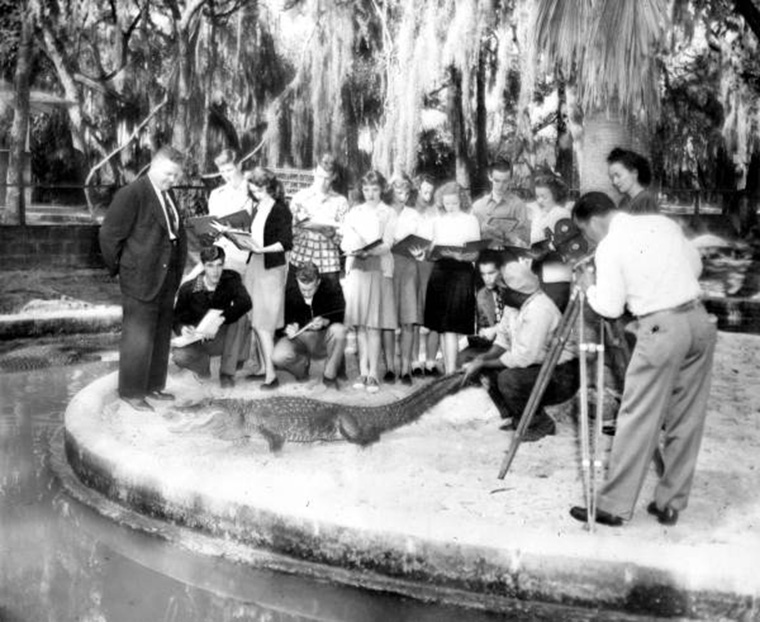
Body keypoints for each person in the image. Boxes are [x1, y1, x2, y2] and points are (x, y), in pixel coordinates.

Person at [569, 192, 716, 527]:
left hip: (662, 327)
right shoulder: (661, 223)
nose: (588, 240)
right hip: (698, 319)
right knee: (687, 415)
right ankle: (670, 503)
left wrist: (590, 286)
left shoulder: (609, 246)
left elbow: (608, 307)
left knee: (638, 414)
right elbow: (695, 264)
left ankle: (613, 506)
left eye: (585, 233)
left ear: (593, 221)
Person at [99, 146, 187, 411]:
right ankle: (131, 391)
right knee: (138, 338)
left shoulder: (167, 193)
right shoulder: (132, 194)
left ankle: (152, 386)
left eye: (176, 176)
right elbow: (109, 236)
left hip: (165, 277)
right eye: (169, 174)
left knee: (160, 336)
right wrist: (122, 268)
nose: (173, 180)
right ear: (154, 166)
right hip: (140, 278)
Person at [461, 254, 579, 442]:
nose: (500, 292)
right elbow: (503, 339)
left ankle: (539, 423)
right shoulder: (514, 306)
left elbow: (523, 358)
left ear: (517, 292)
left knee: (509, 379)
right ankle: (520, 417)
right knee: (482, 366)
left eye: (504, 289)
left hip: (563, 374)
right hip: (537, 366)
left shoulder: (540, 309)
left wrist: (484, 363)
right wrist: (481, 360)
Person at [228, 166, 293, 389]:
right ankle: (263, 368)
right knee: (255, 320)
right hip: (255, 266)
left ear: (271, 187)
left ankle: (271, 376)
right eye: (254, 190)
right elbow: (254, 238)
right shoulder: (257, 208)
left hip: (270, 268)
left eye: (261, 189)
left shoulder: (280, 209)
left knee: (264, 323)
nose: (257, 194)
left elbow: (285, 242)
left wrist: (261, 250)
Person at [341, 170, 398, 394]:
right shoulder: (355, 212)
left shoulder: (388, 212)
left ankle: (373, 372)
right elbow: (346, 239)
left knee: (374, 325)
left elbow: (388, 244)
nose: (370, 193)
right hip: (357, 268)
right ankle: (362, 371)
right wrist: (351, 247)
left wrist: (370, 250)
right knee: (361, 325)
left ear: (382, 189)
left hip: (377, 268)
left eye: (374, 189)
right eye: (366, 189)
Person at [172, 245, 252, 388]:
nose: (215, 271)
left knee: (242, 318)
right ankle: (203, 370)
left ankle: (227, 373)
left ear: (224, 264)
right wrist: (183, 328)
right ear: (203, 266)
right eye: (210, 266)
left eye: (219, 265)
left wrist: (221, 319)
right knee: (180, 356)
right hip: (198, 339)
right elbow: (177, 319)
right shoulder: (188, 289)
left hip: (222, 336)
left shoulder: (231, 278)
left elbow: (245, 302)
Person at [422, 182, 480, 374]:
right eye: (447, 203)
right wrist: (431, 251)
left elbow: (475, 254)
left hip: (461, 272)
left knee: (452, 326)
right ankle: (449, 371)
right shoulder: (436, 221)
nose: (451, 207)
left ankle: (450, 371)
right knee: (442, 326)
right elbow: (429, 254)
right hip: (440, 273)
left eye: (454, 203)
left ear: (461, 201)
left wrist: (460, 255)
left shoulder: (470, 220)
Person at [272, 262, 347, 388]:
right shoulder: (289, 292)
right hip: (299, 338)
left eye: (310, 289)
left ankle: (330, 376)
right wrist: (289, 327)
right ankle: (301, 367)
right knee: (278, 357)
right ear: (297, 281)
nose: (306, 293)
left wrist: (325, 321)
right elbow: (278, 325)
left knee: (340, 331)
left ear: (318, 281)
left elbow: (341, 315)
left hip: (323, 337)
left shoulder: (332, 287)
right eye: (303, 289)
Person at [289, 153, 349, 288]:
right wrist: (297, 227)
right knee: (296, 306)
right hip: (301, 260)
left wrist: (333, 235)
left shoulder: (340, 202)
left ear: (334, 177)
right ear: (313, 172)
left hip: (327, 265)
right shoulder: (300, 197)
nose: (322, 182)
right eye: (320, 176)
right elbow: (289, 235)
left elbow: (344, 239)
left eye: (327, 178)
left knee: (328, 308)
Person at [389, 172, 422, 384]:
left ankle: (406, 367)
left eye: (407, 191)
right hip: (387, 266)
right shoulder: (384, 212)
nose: (403, 194)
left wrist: (419, 250)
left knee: (408, 320)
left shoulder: (414, 215)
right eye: (399, 190)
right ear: (391, 191)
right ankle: (391, 365)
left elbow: (421, 241)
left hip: (408, 267)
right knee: (388, 320)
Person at [206, 148, 255, 275]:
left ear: (239, 166)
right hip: (218, 253)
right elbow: (212, 224)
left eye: (229, 170)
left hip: (241, 255)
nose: (226, 175)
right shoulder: (216, 195)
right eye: (222, 171)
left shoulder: (254, 192)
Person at [457, 249, 508, 364]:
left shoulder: (511, 290)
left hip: (512, 345)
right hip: (492, 344)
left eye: (491, 273)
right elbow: (484, 324)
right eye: (483, 274)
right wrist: (483, 332)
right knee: (460, 357)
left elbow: (518, 325)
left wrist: (495, 329)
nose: (487, 278)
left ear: (501, 271)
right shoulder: (482, 295)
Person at [412, 174, 440, 377]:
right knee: (414, 312)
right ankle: (415, 359)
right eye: (425, 191)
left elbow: (439, 237)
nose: (428, 195)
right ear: (418, 190)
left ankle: (430, 360)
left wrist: (430, 249)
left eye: (431, 191)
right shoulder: (409, 210)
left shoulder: (436, 211)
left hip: (430, 264)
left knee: (432, 311)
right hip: (413, 265)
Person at [472, 160, 530, 247]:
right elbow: (470, 237)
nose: (500, 186)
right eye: (497, 181)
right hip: (485, 254)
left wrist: (508, 236)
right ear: (490, 177)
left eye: (505, 181)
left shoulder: (518, 205)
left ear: (510, 180)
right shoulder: (478, 206)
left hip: (509, 254)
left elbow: (525, 236)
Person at [607, 147, 660, 214]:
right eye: (612, 177)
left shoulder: (646, 201)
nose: (614, 182)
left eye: (618, 175)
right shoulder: (624, 202)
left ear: (634, 173)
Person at [530, 175, 572, 246]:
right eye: (537, 197)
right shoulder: (541, 214)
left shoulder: (561, 214)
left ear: (556, 196)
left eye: (544, 197)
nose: (539, 201)